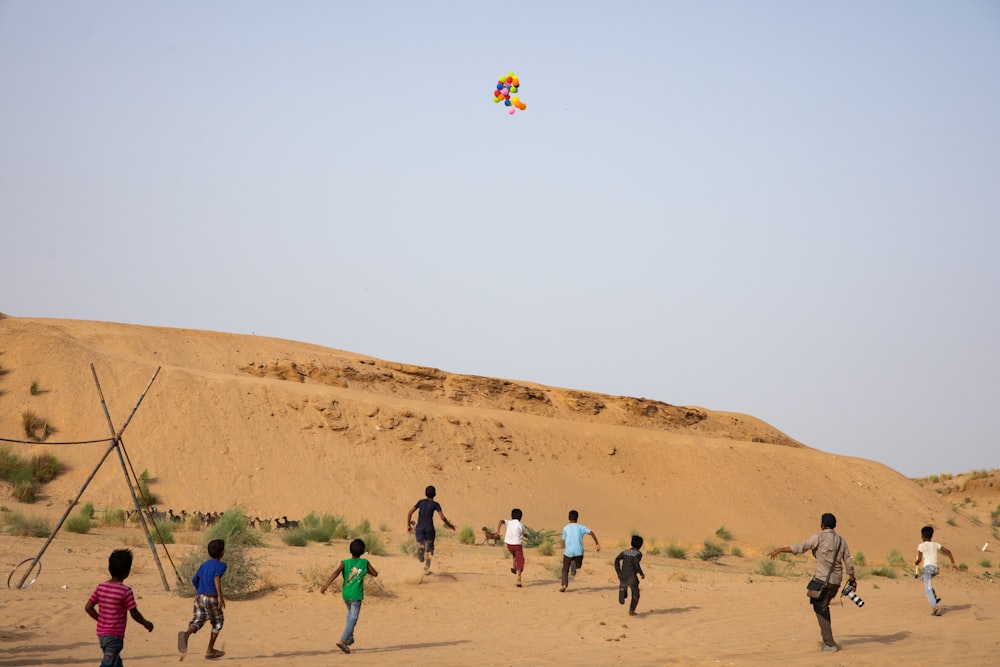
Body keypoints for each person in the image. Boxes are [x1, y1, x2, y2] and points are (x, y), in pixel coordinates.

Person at [769, 513, 855, 654]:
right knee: (823, 606)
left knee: (820, 607)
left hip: (822, 580)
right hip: (836, 582)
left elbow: (801, 547)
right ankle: (828, 641)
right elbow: (848, 563)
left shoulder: (819, 537)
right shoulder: (841, 540)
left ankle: (829, 644)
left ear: (822, 525)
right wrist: (852, 579)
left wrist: (780, 549)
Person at [85, 549, 154, 667]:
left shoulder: (101, 587)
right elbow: (134, 613)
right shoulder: (125, 591)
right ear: (126, 573)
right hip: (114, 637)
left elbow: (88, 607)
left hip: (102, 635)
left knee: (115, 662)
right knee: (108, 663)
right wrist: (145, 623)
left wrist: (101, 620)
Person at [321, 538, 380, 654]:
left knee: (350, 615)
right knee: (353, 617)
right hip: (356, 595)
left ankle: (350, 638)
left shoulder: (345, 562)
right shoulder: (364, 562)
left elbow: (336, 573)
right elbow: (375, 574)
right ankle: (343, 640)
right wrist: (364, 570)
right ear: (363, 551)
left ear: (349, 551)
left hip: (346, 594)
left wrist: (325, 585)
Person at [178, 539, 227, 660]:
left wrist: (199, 590)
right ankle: (210, 650)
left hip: (200, 597)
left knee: (198, 620)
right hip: (212, 598)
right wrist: (220, 596)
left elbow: (195, 579)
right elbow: (216, 578)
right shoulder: (221, 565)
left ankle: (186, 634)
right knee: (218, 622)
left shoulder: (203, 565)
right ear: (222, 552)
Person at [406, 485, 455, 574]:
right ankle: (426, 569)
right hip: (429, 529)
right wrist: (450, 525)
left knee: (420, 547)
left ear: (425, 493)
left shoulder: (420, 502)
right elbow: (442, 518)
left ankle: (421, 548)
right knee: (430, 549)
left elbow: (409, 513)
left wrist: (408, 525)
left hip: (419, 529)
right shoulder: (436, 504)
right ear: (435, 494)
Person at [916, 525, 958, 616]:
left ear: (922, 536)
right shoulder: (935, 544)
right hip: (935, 569)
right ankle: (934, 596)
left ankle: (935, 608)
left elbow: (919, 559)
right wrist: (953, 563)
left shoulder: (921, 545)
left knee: (927, 588)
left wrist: (916, 562)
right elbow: (948, 551)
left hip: (927, 568)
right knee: (923, 580)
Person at [560, 509, 601, 592]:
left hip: (568, 552)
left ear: (568, 518)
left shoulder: (565, 528)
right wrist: (597, 543)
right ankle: (574, 564)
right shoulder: (581, 527)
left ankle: (564, 585)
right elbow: (591, 533)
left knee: (565, 569)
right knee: (578, 565)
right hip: (579, 552)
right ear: (577, 518)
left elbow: (564, 539)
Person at [615, 535, 646, 615]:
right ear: (641, 545)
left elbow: (617, 559)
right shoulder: (638, 553)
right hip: (631, 576)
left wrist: (618, 571)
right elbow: (636, 562)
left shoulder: (624, 552)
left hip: (622, 575)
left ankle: (623, 590)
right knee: (635, 594)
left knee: (624, 586)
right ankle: (631, 611)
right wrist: (641, 573)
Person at [497, 508, 526, 587]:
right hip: (517, 545)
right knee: (520, 560)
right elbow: (525, 533)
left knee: (514, 554)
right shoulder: (521, 525)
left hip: (509, 545)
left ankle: (514, 566)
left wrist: (498, 530)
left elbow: (500, 521)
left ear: (511, 516)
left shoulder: (509, 522)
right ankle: (519, 578)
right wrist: (527, 535)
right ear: (521, 517)